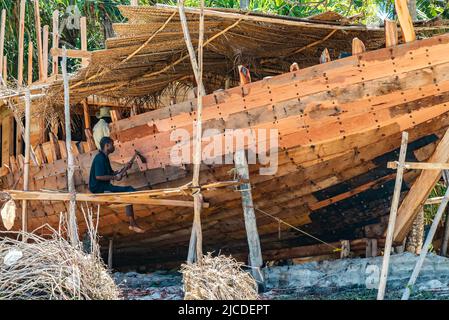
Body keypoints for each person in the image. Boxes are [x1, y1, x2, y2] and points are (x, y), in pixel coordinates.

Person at [89, 136, 144, 233]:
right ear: (107, 146)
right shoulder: (99, 158)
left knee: (129, 191)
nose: (114, 146)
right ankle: (132, 223)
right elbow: (98, 176)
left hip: (105, 186)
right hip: (99, 189)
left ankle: (132, 223)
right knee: (129, 191)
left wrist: (124, 168)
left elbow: (111, 173)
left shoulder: (105, 157)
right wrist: (115, 177)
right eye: (112, 145)